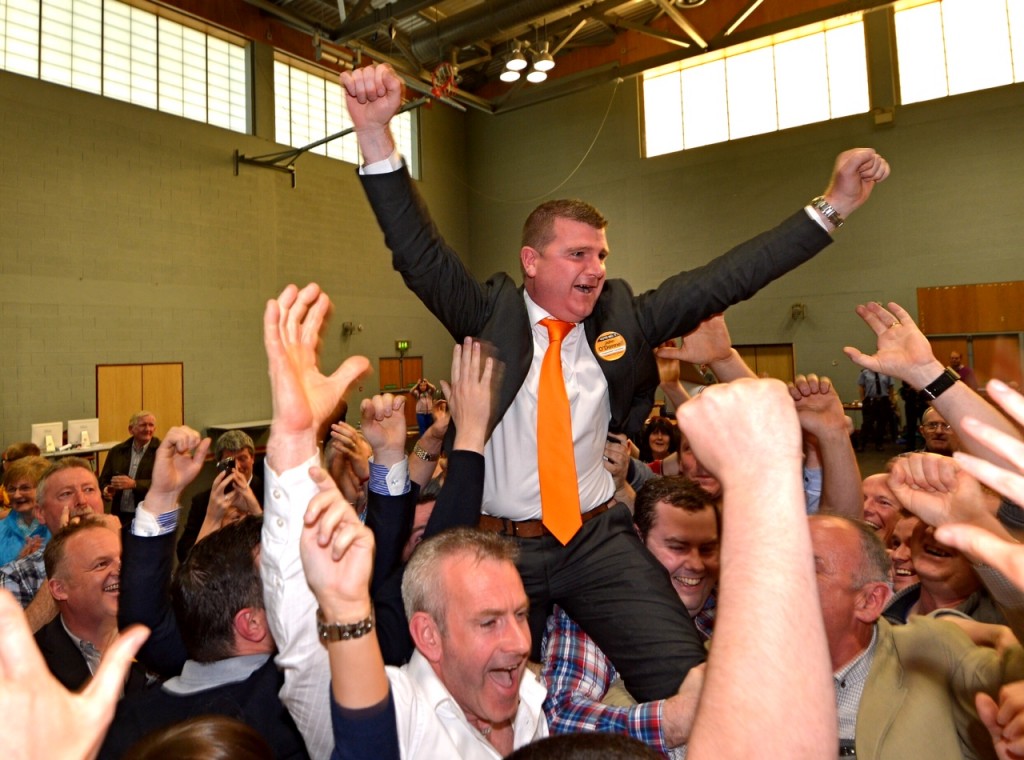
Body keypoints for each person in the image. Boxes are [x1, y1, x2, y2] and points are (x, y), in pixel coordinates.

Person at [342, 60, 889, 703]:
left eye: (601, 255)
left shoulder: (623, 316)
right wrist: (376, 134)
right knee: (475, 703)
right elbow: (418, 252)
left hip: (595, 538)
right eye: (578, 254)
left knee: (690, 683)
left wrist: (835, 204)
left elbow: (730, 274)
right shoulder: (488, 315)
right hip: (497, 544)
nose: (596, 268)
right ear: (532, 260)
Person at [108, 426, 308, 760]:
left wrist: (162, 497)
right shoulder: (288, 702)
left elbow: (143, 618)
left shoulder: (127, 724)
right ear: (252, 623)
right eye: (279, 580)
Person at [541, 476, 716, 755]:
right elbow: (559, 718)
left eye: (707, 549)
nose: (695, 565)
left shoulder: (727, 614)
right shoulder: (596, 608)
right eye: (677, 547)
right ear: (635, 541)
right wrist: (673, 720)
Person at [34, 516, 152, 693]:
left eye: (123, 559)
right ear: (59, 589)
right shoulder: (32, 665)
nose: (122, 570)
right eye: (102, 564)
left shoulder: (156, 634)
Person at [0, 457, 107, 633]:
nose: (82, 501)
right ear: (40, 512)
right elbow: (10, 648)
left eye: (89, 489)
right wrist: (66, 556)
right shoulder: (16, 575)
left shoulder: (131, 554)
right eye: (66, 493)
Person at [177, 429, 264, 561]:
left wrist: (256, 511)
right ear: (219, 465)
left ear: (252, 458)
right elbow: (184, 553)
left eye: (242, 458)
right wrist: (215, 524)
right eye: (230, 462)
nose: (237, 467)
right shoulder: (203, 501)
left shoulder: (271, 493)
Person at [98, 411, 160, 529]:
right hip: (120, 515)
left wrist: (135, 484)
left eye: (151, 425)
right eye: (143, 425)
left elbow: (164, 484)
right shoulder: (116, 451)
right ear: (131, 429)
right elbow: (104, 479)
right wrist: (106, 489)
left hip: (149, 516)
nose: (148, 429)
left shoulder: (162, 452)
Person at [0, 455, 49, 565]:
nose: (17, 495)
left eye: (25, 488)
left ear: (44, 488)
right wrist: (19, 564)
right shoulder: (1, 529)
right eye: (12, 489)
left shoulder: (58, 527)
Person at [856, 368, 895, 452]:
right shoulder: (865, 373)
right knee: (867, 423)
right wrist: (863, 399)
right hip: (870, 400)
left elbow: (891, 386)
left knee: (881, 423)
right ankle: (862, 444)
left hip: (883, 400)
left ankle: (879, 444)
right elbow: (861, 386)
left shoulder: (886, 372)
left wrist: (891, 399)